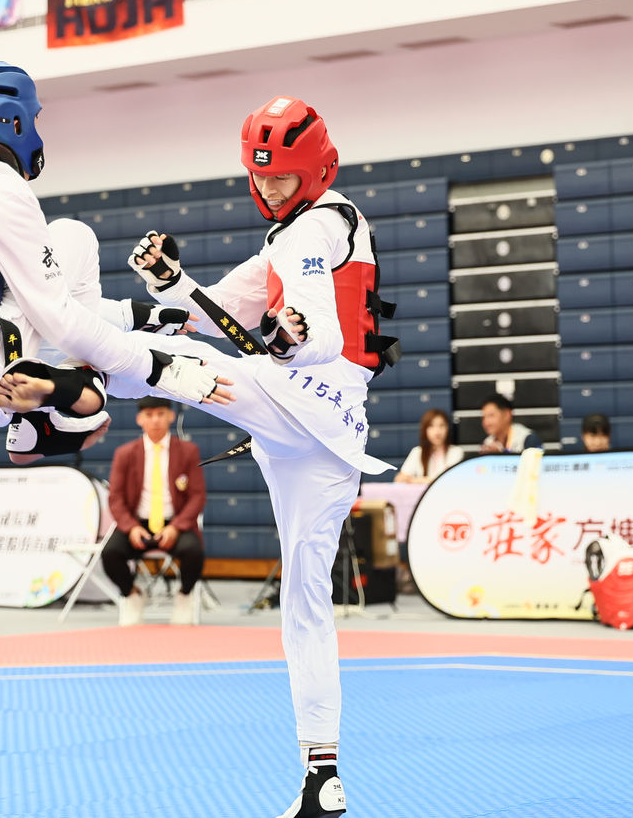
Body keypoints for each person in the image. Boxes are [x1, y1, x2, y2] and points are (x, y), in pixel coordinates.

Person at [0, 60, 232, 818]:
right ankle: (50, 410)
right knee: (86, 327)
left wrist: (147, 322)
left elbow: (57, 309)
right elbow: (58, 315)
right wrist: (161, 368)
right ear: (15, 120)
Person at [116, 94, 399, 818]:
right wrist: (170, 282)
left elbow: (321, 331)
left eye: (283, 176)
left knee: (159, 355)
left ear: (319, 169)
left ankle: (68, 388)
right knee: (306, 604)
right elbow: (222, 310)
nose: (270, 188)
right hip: (333, 438)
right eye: (261, 175)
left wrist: (294, 338)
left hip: (303, 398)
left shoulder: (319, 227)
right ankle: (322, 777)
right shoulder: (297, 234)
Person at [102, 396, 206, 626]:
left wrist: (176, 527)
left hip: (175, 522)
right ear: (140, 419)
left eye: (161, 414)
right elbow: (115, 498)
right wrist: (131, 527)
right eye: (149, 415)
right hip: (138, 523)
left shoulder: (188, 451)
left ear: (171, 416)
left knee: (194, 551)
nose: (155, 420)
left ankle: (184, 596)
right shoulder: (125, 453)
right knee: (110, 553)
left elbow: (197, 495)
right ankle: (132, 595)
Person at [394, 409, 462, 484]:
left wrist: (415, 480)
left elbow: (448, 480)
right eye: (431, 426)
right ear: (425, 429)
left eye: (441, 425)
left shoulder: (456, 452)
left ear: (447, 428)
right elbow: (400, 479)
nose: (437, 431)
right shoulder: (417, 452)